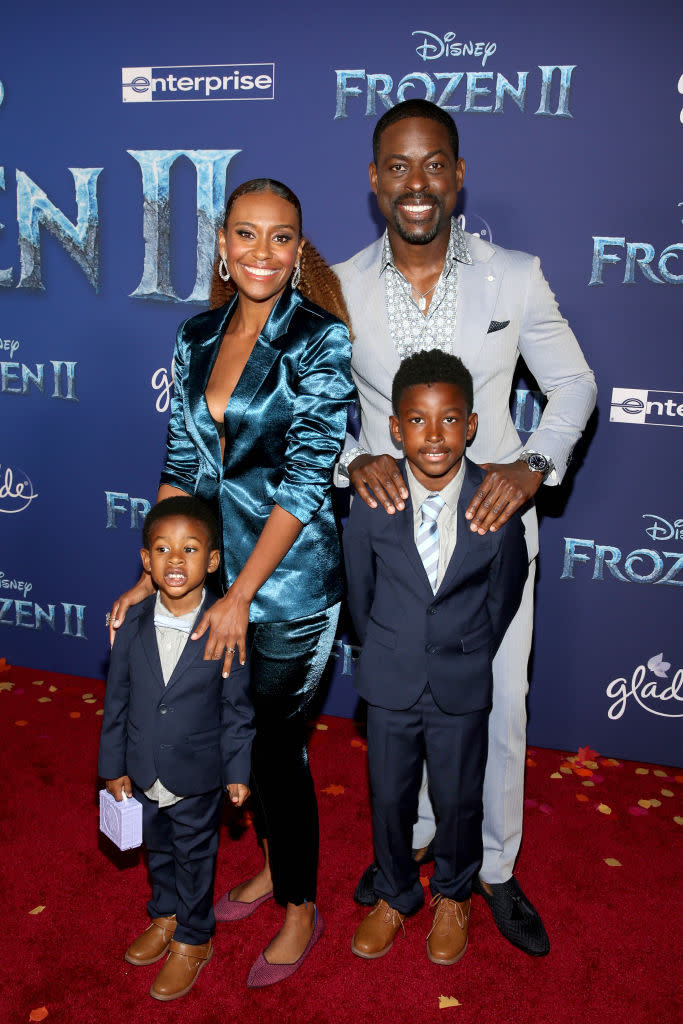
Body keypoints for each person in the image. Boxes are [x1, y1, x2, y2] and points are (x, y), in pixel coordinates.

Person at [333, 99, 597, 956]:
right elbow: (303, 412)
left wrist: (530, 469)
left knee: (500, 705)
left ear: (458, 173)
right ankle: (409, 855)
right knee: (399, 700)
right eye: (398, 167)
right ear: (375, 181)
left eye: (434, 163)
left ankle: (488, 867)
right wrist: (349, 460)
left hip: (489, 530)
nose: (417, 183)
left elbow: (575, 387)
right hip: (390, 538)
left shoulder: (513, 276)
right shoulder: (332, 286)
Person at [109, 178, 355, 987]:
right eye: (245, 235)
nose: (261, 253)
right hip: (215, 583)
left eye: (279, 237)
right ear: (222, 244)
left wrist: (241, 594)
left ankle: (299, 907)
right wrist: (156, 573)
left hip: (286, 590)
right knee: (223, 739)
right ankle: (221, 892)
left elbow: (303, 483)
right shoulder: (195, 336)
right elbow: (182, 467)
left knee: (275, 751)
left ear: (298, 248)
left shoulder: (319, 340)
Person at [345, 350, 528, 964]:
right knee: (389, 796)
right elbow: (360, 593)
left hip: (461, 680)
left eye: (449, 420)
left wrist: (466, 650)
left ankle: (454, 894)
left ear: (471, 425)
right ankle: (396, 893)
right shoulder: (372, 502)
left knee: (458, 798)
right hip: (390, 680)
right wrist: (388, 650)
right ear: (395, 428)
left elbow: (501, 603)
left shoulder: (497, 505)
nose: (434, 435)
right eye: (417, 421)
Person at [98, 496, 253, 1002]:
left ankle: (194, 935)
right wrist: (112, 767)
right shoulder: (132, 622)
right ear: (146, 561)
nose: (176, 560)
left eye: (190, 549)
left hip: (198, 772)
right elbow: (116, 701)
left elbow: (236, 709)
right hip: (141, 769)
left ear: (211, 560)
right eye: (162, 549)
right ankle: (164, 916)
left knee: (195, 857)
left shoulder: (224, 624)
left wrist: (237, 769)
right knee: (157, 852)